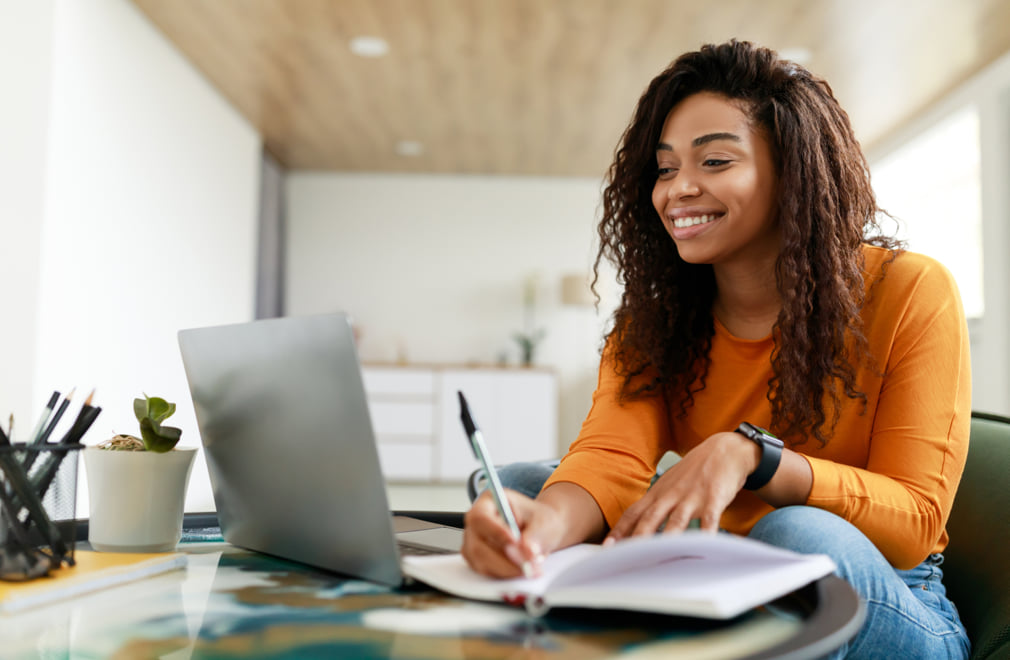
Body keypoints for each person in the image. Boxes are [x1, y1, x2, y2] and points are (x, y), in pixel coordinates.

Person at [462, 40, 971, 659]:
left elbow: (915, 523)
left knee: (798, 532)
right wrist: (542, 532)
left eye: (716, 162)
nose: (679, 190)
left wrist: (753, 457)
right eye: (667, 168)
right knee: (524, 489)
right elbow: (608, 456)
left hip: (888, 597)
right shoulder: (657, 320)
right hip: (717, 570)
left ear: (794, 170)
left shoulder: (911, 290)